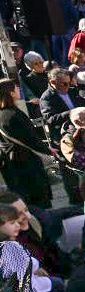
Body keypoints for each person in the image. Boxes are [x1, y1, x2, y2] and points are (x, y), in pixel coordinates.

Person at [0, 77, 54, 208]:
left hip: (11, 165)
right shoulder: (14, 115)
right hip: (27, 163)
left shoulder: (2, 115)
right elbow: (30, 138)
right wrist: (48, 150)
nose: (19, 90)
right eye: (16, 88)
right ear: (11, 93)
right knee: (40, 204)